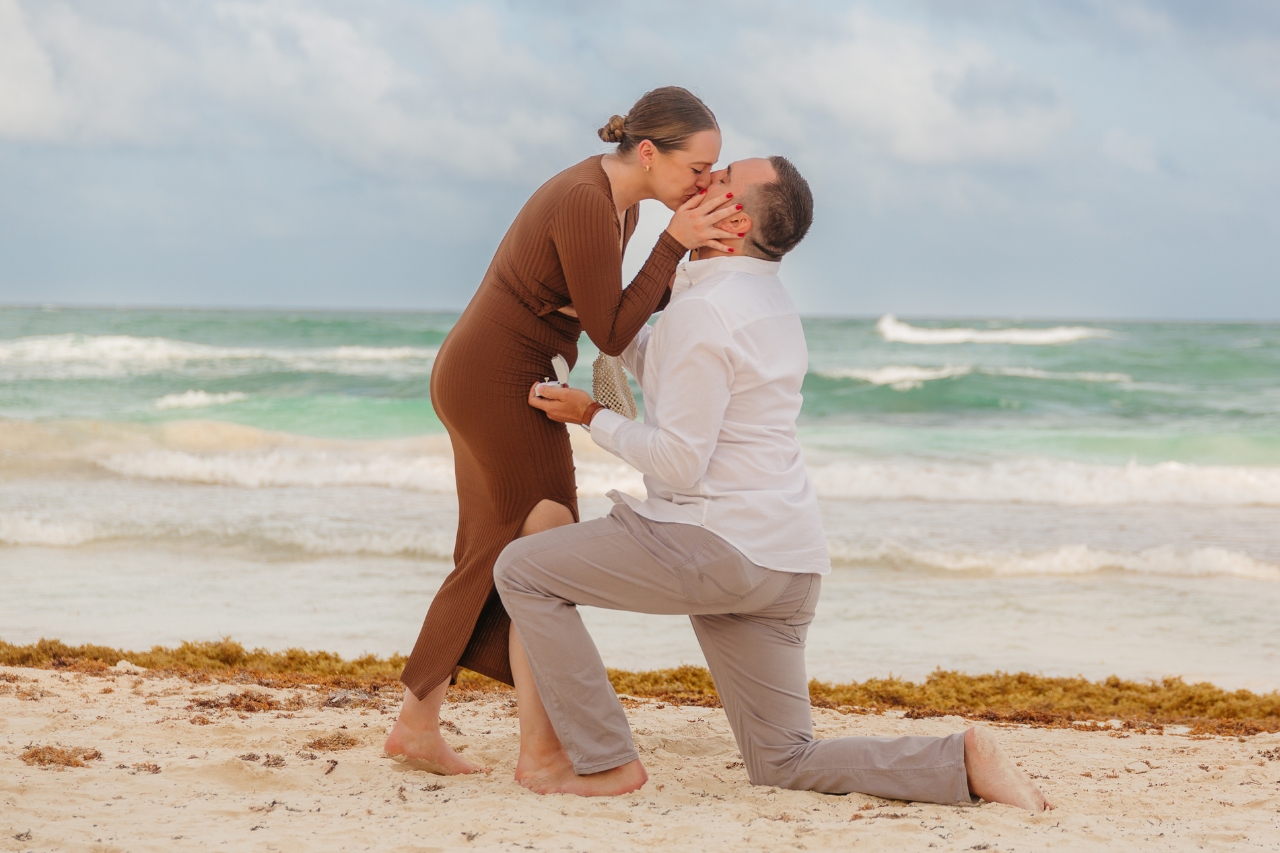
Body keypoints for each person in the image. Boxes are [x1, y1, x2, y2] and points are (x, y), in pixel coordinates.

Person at [494, 156, 1053, 810]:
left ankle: (604, 760)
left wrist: (593, 416)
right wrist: (610, 325)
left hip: (714, 548)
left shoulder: (708, 309)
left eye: (718, 180)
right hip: (786, 564)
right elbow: (675, 369)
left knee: (523, 571)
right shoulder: (760, 299)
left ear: (733, 220)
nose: (702, 182)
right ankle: (958, 759)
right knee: (784, 759)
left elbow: (678, 462)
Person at [384, 87, 744, 774]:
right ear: (648, 152)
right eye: (698, 170)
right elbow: (610, 328)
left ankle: (419, 726)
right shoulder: (586, 199)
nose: (704, 184)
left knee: (498, 552)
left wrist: (684, 254)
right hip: (498, 376)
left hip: (493, 370)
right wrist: (673, 246)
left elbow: (608, 307)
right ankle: (537, 748)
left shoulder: (623, 203)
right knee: (540, 550)